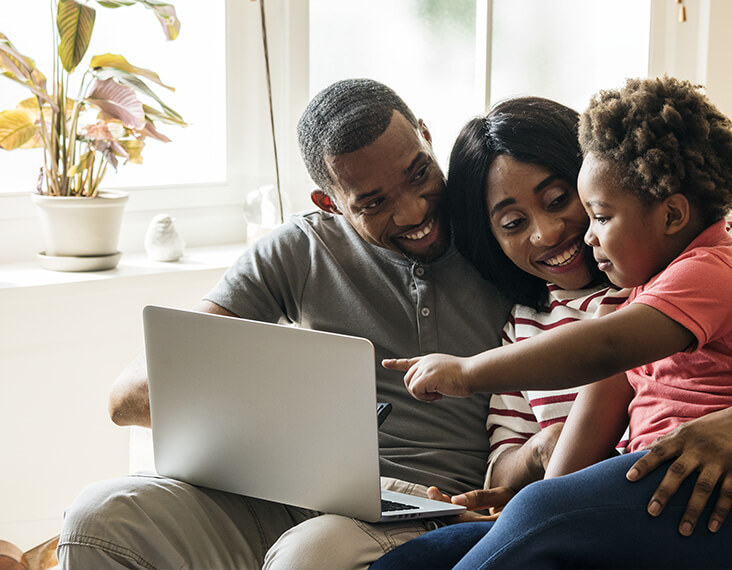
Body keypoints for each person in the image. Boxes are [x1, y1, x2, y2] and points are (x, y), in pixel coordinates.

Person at [373, 82, 732, 568]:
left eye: (568, 202)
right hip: (620, 520)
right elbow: (543, 456)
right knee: (423, 555)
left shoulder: (718, 258)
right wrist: (536, 478)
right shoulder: (530, 321)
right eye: (514, 223)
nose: (551, 233)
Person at [57, 78, 514, 569]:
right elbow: (129, 398)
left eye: (419, 173)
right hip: (286, 493)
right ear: (330, 204)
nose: (414, 210)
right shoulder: (303, 248)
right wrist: (282, 429)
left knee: (309, 555)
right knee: (98, 520)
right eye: (373, 202)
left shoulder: (504, 233)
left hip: (421, 508)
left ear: (426, 135)